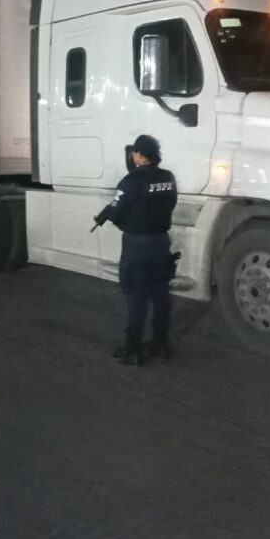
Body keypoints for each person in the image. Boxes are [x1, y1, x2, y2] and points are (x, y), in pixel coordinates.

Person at [93, 134, 178, 366]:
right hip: (161, 242)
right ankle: (160, 343)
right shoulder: (168, 177)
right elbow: (170, 204)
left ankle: (132, 348)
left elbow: (116, 211)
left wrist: (112, 217)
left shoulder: (131, 181)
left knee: (136, 296)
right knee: (160, 294)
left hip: (137, 246)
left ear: (139, 155)